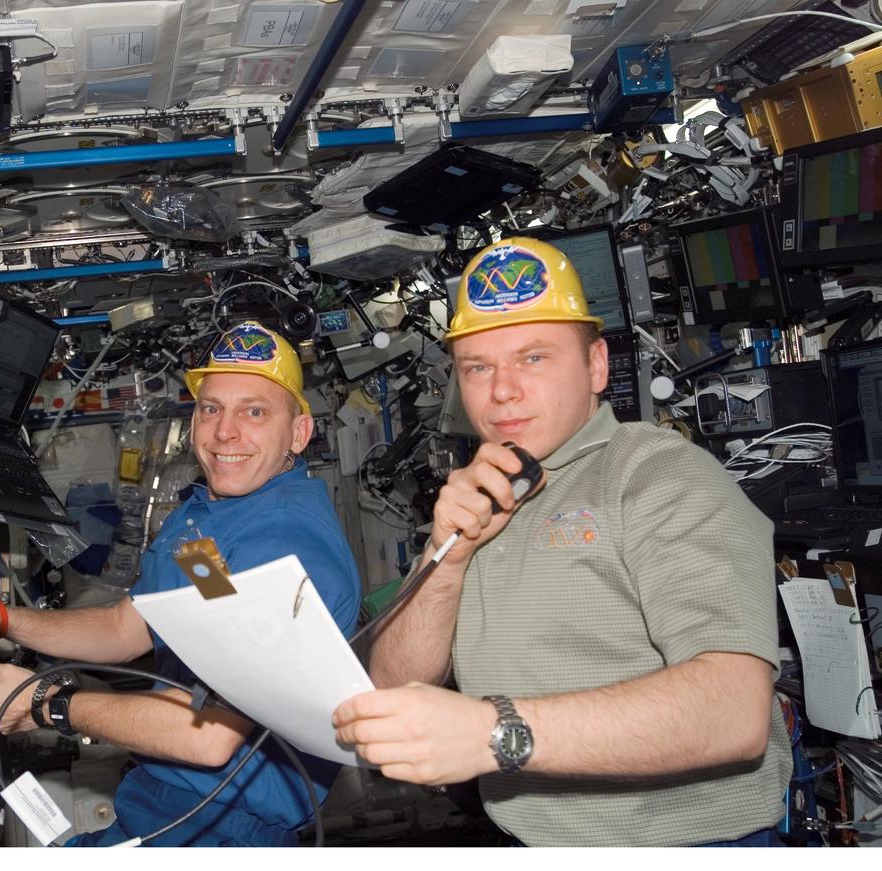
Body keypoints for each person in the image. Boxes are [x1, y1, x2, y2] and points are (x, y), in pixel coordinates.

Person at [333, 237, 792, 847]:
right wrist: (447, 555)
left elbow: (733, 712)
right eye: (478, 367)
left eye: (533, 358)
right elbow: (394, 684)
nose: (502, 391)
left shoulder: (656, 473)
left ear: (597, 365)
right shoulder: (485, 489)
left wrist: (492, 733)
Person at [0, 321, 361, 847]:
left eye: (254, 412)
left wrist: (48, 702)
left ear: (298, 433)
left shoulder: (280, 547)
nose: (225, 432)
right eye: (211, 408)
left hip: (223, 829)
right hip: (166, 808)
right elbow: (127, 626)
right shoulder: (216, 515)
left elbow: (207, 737)